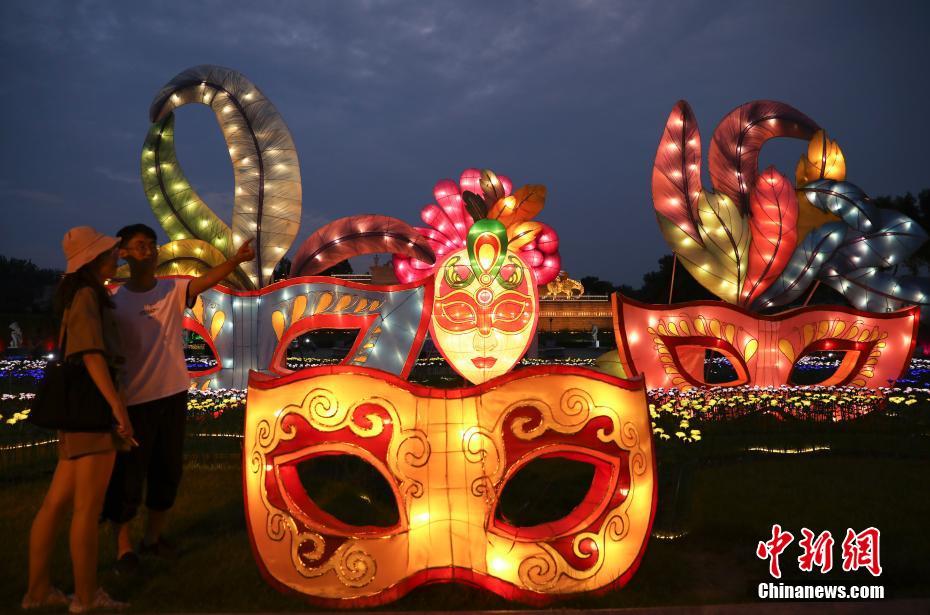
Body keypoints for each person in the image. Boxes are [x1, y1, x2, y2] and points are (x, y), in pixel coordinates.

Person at [101, 223, 254, 573]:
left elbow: (207, 278)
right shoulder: (115, 303)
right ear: (122, 252)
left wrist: (236, 260)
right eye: (140, 246)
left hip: (171, 395)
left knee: (167, 469)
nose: (150, 251)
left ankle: (153, 538)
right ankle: (123, 546)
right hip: (134, 401)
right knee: (129, 474)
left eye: (153, 245)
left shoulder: (173, 290)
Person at [24, 226, 134, 612]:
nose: (117, 255)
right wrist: (117, 408)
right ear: (94, 260)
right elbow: (91, 355)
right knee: (86, 510)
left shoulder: (77, 294)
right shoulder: (88, 295)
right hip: (91, 410)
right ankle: (85, 598)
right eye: (111, 252)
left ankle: (37, 591)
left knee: (55, 504)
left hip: (76, 410)